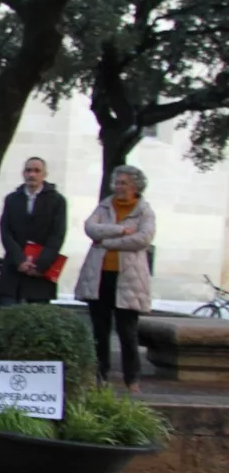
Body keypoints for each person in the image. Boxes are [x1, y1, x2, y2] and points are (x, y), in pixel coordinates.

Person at [74, 165, 156, 393]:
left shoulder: (144, 211)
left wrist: (107, 241)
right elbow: (91, 228)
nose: (118, 187)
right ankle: (100, 376)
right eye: (116, 183)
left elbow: (142, 239)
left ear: (135, 187)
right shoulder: (104, 205)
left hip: (128, 280)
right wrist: (120, 231)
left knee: (127, 332)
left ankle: (133, 380)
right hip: (100, 277)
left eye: (123, 183)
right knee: (99, 330)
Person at [0, 157, 68, 306]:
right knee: (7, 315)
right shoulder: (12, 199)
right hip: (14, 267)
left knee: (37, 320)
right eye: (29, 170)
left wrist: (40, 264)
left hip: (40, 270)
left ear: (44, 174)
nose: (32, 175)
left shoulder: (57, 201)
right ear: (23, 173)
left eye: (37, 171)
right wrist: (20, 260)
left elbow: (57, 235)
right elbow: (5, 231)